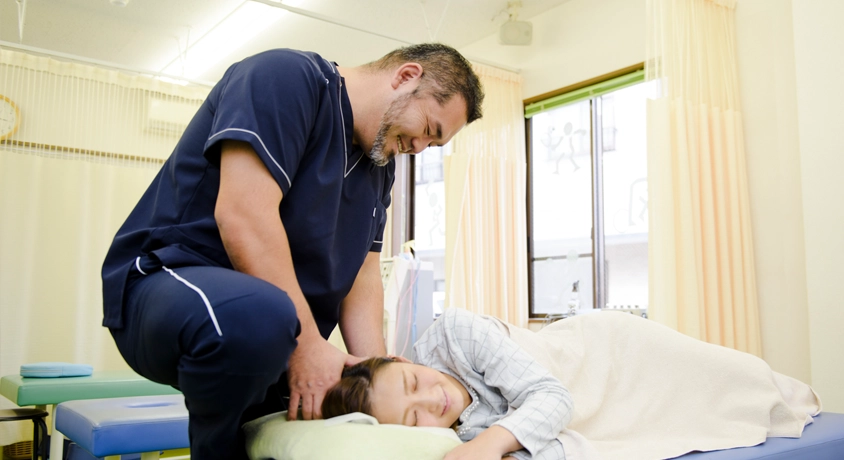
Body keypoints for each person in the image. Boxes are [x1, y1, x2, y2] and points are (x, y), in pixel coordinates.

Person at [100, 43, 484, 460]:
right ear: (406, 76)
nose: (420, 148)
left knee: (330, 399)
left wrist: (376, 373)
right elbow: (243, 215)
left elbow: (362, 276)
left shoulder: (379, 168)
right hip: (166, 282)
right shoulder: (287, 78)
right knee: (264, 317)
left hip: (274, 332)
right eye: (429, 129)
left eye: (433, 144)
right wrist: (308, 345)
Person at [322, 309, 822, 460]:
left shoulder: (454, 334)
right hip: (596, 404)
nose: (433, 399)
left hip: (603, 352)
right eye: (415, 417)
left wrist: (493, 445)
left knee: (739, 377)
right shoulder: (449, 438)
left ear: (402, 358)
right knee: (693, 415)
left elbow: (552, 396)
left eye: (414, 381)